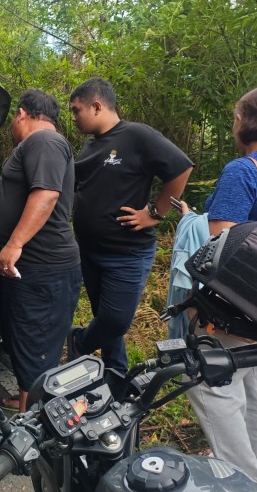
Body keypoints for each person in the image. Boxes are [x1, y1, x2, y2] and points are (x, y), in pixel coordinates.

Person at [68, 77, 193, 375]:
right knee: (104, 317)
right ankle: (116, 373)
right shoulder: (91, 146)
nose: (73, 118)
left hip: (125, 253)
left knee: (115, 319)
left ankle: (78, 343)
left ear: (96, 106)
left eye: (76, 110)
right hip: (90, 250)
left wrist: (156, 213)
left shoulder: (136, 136)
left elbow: (181, 167)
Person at [181, 84, 257, 491]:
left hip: (239, 310)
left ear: (248, 121)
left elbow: (224, 247)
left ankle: (246, 482)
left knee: (212, 388)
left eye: (236, 115)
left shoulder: (244, 171)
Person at [0, 89, 81, 412]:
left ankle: (32, 424)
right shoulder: (39, 146)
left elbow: (46, 195)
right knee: (26, 340)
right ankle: (27, 401)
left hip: (43, 267)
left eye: (14, 118)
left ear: (22, 114)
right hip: (34, 269)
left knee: (36, 343)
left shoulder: (44, 142)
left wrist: (13, 243)